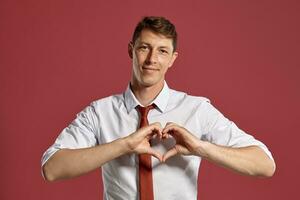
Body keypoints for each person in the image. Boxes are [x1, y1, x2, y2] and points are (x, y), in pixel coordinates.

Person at [41, 16, 276, 199]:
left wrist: (200, 147)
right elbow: (51, 168)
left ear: (173, 58)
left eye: (162, 51)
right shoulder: (99, 112)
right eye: (145, 47)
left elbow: (264, 164)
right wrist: (124, 145)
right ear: (131, 50)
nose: (152, 59)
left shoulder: (197, 109)